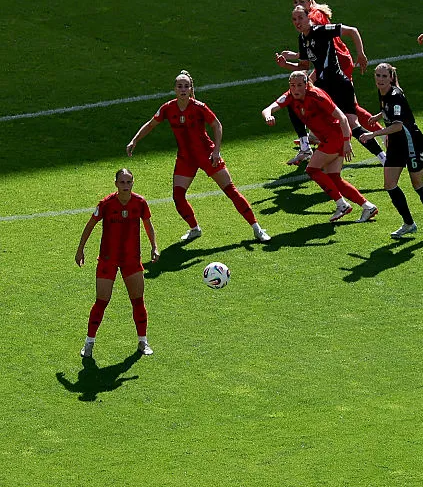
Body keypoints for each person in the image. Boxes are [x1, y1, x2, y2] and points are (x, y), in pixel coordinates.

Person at [127, 71, 271, 243]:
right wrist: (134, 140)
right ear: (174, 89)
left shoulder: (199, 107)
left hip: (207, 155)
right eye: (179, 86)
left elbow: (217, 125)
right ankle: (194, 228)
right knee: (178, 196)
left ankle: (257, 228)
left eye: (186, 86)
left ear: (190, 89)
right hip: (185, 158)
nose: (183, 89)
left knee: (230, 191)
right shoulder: (167, 108)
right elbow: (151, 125)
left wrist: (216, 150)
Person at [262, 71, 378, 223]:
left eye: (299, 85)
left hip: (336, 136)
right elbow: (267, 109)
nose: (295, 89)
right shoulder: (290, 95)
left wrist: (346, 142)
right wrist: (269, 116)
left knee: (312, 170)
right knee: (334, 178)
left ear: (307, 84)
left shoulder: (317, 96)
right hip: (331, 138)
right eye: (292, 85)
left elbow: (342, 118)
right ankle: (368, 207)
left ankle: (341, 204)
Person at [275, 5, 386, 164]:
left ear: (308, 17)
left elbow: (352, 30)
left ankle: (384, 158)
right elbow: (304, 67)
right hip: (323, 87)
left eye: (300, 18)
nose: (297, 22)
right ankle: (307, 146)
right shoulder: (302, 39)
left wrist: (360, 54)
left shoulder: (322, 31)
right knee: (294, 101)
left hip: (339, 84)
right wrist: (285, 65)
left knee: (353, 125)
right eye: (294, 19)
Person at [75, 168, 159, 358]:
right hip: (108, 259)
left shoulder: (140, 203)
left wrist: (154, 246)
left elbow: (148, 224)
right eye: (122, 182)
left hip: (131, 260)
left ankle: (143, 342)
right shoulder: (106, 204)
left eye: (129, 182)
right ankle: (89, 343)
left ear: (133, 183)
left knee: (138, 301)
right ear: (116, 184)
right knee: (101, 301)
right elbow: (90, 225)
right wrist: (80, 249)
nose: (126, 186)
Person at [359, 63, 423, 239]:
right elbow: (387, 109)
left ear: (390, 78)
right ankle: (409, 224)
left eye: (384, 76)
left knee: (417, 184)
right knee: (389, 184)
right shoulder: (384, 92)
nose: (380, 80)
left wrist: (373, 134)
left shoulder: (395, 95)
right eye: (378, 76)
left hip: (411, 143)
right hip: (396, 144)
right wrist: (378, 116)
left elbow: (397, 125)